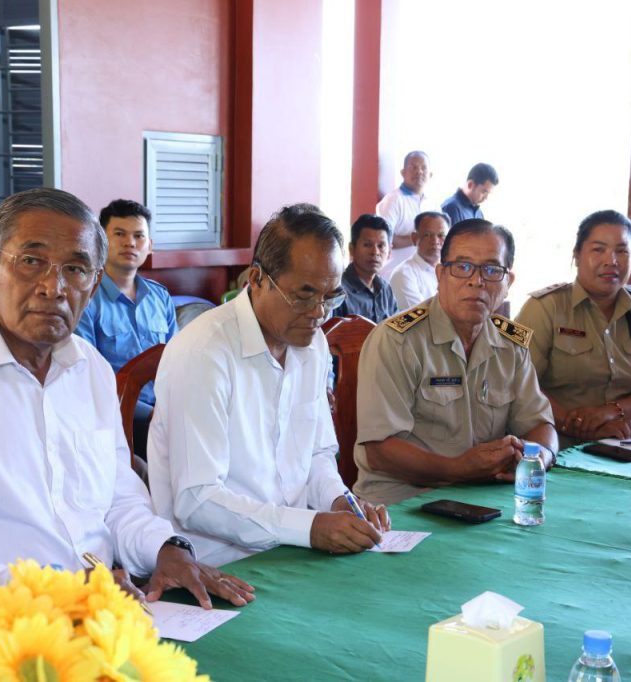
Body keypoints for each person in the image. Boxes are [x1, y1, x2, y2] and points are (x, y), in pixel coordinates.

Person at [0, 188, 253, 610]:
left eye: (76, 269)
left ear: (94, 283)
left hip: (108, 610)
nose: (54, 287)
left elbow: (117, 496)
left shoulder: (91, 369)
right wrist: (54, 594)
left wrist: (165, 547)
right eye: (31, 261)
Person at [149, 203, 389, 566]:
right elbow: (197, 499)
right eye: (304, 295)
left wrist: (338, 501)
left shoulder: (313, 344)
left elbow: (317, 454)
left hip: (295, 549)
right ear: (257, 279)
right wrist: (308, 528)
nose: (318, 313)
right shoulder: (204, 351)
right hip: (218, 563)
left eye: (330, 297)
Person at [353, 219, 558, 505]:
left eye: (491, 270)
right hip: (404, 501)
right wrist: (460, 469)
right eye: (462, 267)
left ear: (508, 282)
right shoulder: (397, 339)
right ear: (440, 275)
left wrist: (538, 459)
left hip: (483, 498)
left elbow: (540, 424)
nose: (476, 281)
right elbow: (379, 451)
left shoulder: (510, 343)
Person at [515, 210, 631, 442]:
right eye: (598, 249)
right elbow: (520, 384)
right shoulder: (544, 307)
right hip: (557, 443)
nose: (611, 261)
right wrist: (581, 426)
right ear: (577, 255)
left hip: (628, 440)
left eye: (622, 251)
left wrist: (612, 411)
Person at [75, 199, 177, 455]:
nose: (130, 243)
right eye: (119, 234)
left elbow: (177, 362)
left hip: (166, 412)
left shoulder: (160, 297)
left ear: (150, 246)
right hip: (113, 417)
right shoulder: (86, 298)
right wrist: (151, 414)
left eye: (138, 236)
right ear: (99, 242)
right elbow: (86, 375)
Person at [377, 151, 435, 275]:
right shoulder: (393, 200)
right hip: (392, 275)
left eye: (423, 168)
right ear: (403, 173)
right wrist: (419, 238)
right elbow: (383, 239)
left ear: (430, 174)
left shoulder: (433, 205)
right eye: (413, 167)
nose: (419, 172)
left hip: (422, 276)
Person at [332, 214, 398, 322]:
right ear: (351, 249)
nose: (375, 252)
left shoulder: (386, 290)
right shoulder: (338, 290)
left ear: (389, 252)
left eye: (381, 246)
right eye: (367, 245)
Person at [390, 211, 449, 309]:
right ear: (414, 238)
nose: (435, 241)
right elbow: (422, 316)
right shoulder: (403, 274)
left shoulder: (452, 270)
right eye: (427, 235)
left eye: (441, 235)